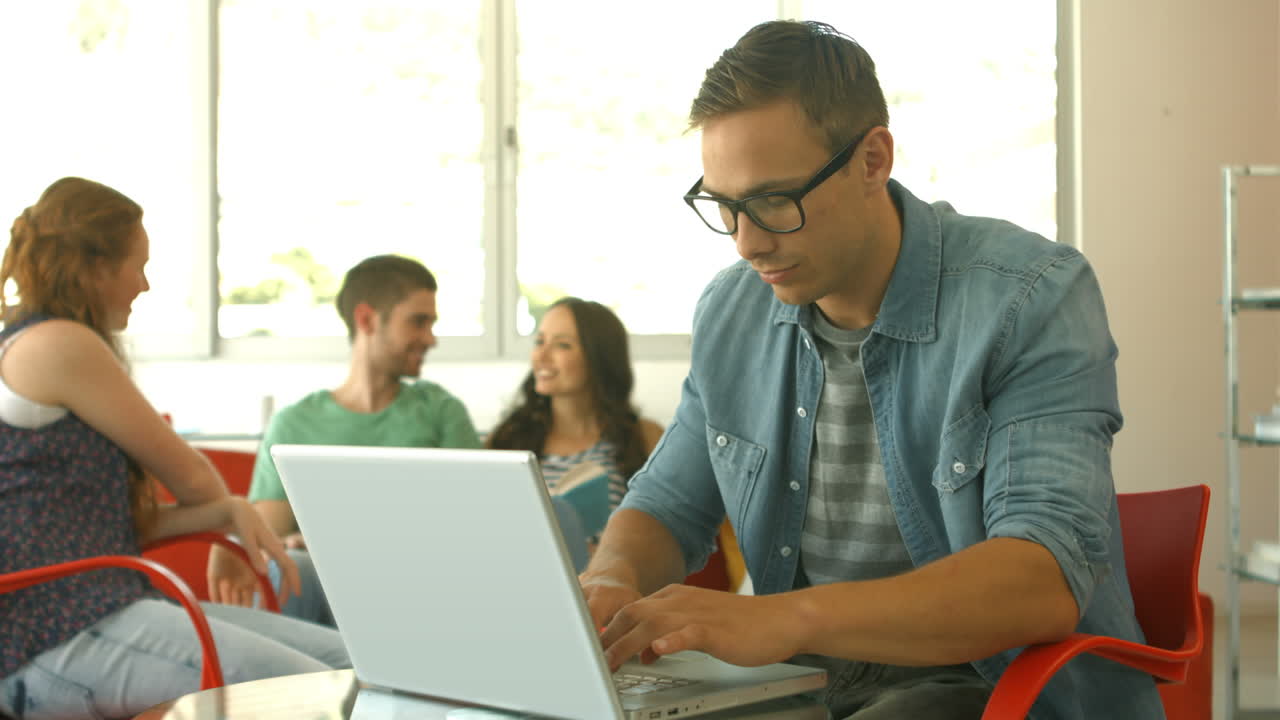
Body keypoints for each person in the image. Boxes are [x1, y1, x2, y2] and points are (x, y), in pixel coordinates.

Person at [579, 20, 1159, 720]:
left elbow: (1041, 579)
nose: (747, 243)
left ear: (873, 159)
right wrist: (611, 577)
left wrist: (787, 618)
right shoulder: (733, 312)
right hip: (802, 688)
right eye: (724, 205)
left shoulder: (1031, 297)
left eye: (771, 201)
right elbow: (667, 505)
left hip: (987, 687)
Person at [0, 177, 349, 720]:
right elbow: (192, 479)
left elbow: (107, 531)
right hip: (50, 637)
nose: (144, 284)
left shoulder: (36, 341)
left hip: (99, 612)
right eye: (136, 266)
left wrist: (228, 512)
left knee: (356, 668)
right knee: (329, 695)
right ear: (95, 268)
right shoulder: (58, 344)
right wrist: (217, 502)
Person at [207, 254, 482, 626]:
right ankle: (286, 680)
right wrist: (278, 543)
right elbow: (270, 536)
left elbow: (474, 525)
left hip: (420, 587)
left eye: (432, 323)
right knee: (294, 569)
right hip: (327, 591)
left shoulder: (440, 411)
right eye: (418, 322)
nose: (430, 339)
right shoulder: (294, 424)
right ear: (367, 319)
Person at [488, 297, 664, 541]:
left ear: (599, 357)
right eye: (539, 341)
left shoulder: (646, 437)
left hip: (607, 576)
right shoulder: (507, 439)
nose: (542, 355)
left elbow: (666, 533)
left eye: (562, 345)